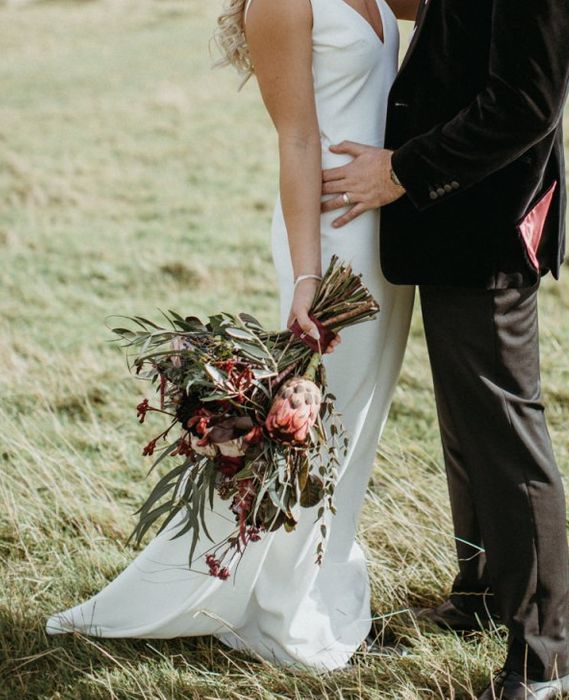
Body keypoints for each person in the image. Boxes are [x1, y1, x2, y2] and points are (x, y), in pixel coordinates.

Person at [45, 0, 415, 671]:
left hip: (386, 229)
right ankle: (278, 610)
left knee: (355, 426)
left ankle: (321, 580)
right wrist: (306, 275)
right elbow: (297, 139)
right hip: (330, 240)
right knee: (312, 431)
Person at [320, 0, 569, 696]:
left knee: (504, 431)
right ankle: (478, 594)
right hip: (450, 221)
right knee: (467, 429)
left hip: (489, 219)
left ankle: (546, 651)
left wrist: (404, 170)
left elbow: (525, 105)